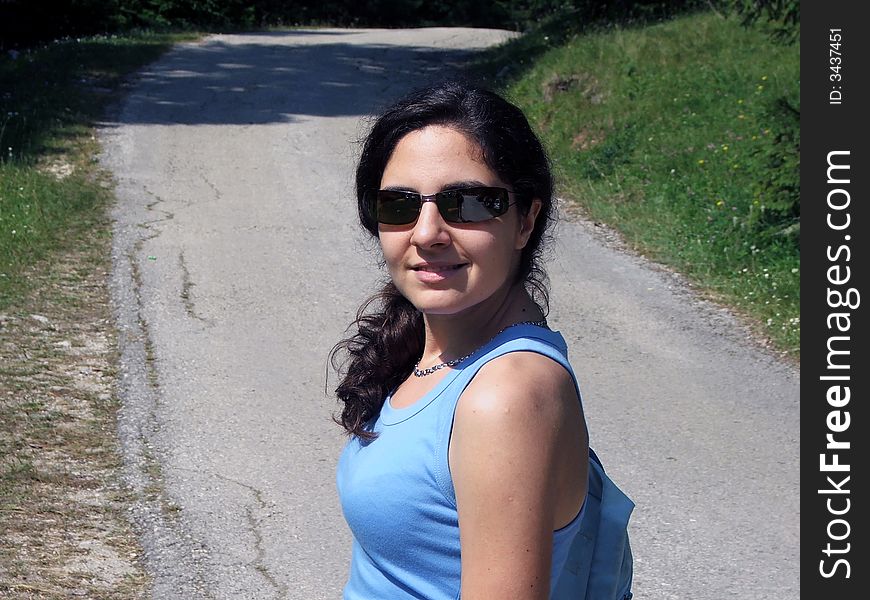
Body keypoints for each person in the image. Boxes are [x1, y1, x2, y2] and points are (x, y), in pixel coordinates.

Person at [332, 80, 591, 600]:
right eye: (400, 205)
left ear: (525, 222)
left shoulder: (505, 396)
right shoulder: (442, 352)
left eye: (469, 202)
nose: (426, 232)